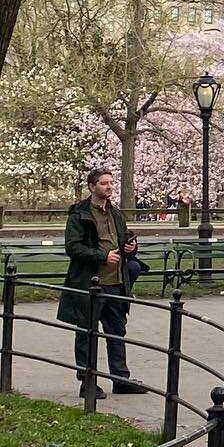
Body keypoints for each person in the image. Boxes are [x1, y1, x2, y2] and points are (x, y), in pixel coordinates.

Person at [59, 168, 144, 398]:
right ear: (92, 186)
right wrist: (102, 257)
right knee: (86, 333)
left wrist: (131, 247)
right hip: (90, 283)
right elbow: (73, 247)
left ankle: (120, 379)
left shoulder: (115, 213)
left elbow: (124, 237)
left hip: (116, 281)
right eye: (104, 183)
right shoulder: (79, 214)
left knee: (116, 331)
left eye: (110, 183)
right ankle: (87, 381)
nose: (109, 187)